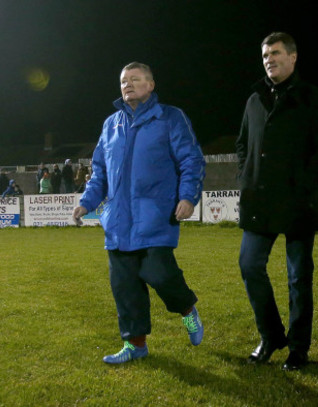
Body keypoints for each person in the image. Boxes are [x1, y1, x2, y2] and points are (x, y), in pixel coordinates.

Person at [72, 62, 205, 365]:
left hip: (156, 217)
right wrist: (86, 202)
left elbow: (191, 161)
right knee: (125, 288)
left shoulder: (171, 118)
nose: (128, 85)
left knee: (160, 275)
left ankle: (187, 311)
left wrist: (188, 196)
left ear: (151, 85)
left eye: (135, 79)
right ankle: (135, 345)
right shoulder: (111, 125)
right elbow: (100, 173)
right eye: (123, 81)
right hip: (118, 222)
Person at [235, 32, 318, 371]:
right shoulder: (254, 99)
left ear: (293, 58)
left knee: (298, 277)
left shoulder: (314, 98)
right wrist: (246, 177)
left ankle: (298, 348)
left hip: (298, 203)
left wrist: (303, 184)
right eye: (265, 54)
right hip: (260, 201)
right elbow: (242, 145)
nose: (270, 59)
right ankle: (271, 336)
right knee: (250, 265)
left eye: (276, 53)